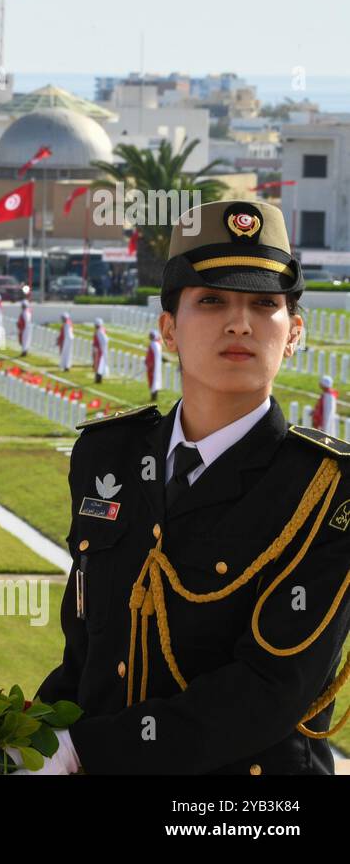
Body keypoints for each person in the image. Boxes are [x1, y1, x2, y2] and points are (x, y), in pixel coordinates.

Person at [25, 199, 350, 774]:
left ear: (294, 332)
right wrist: (31, 736)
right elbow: (88, 649)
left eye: (264, 305)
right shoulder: (108, 456)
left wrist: (87, 751)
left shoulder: (326, 489)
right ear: (169, 328)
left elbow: (270, 688)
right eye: (212, 300)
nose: (240, 323)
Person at [146, 329, 163, 400]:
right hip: (156, 367)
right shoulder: (157, 345)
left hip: (153, 367)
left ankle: (153, 397)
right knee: (155, 381)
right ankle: (154, 397)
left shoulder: (153, 345)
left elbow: (151, 356)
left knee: (153, 381)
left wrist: (149, 364)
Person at [93, 316, 110, 384]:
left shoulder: (100, 331)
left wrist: (96, 348)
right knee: (99, 364)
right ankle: (98, 377)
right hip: (101, 350)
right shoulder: (101, 330)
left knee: (99, 364)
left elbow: (103, 341)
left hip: (100, 350)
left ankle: (98, 378)